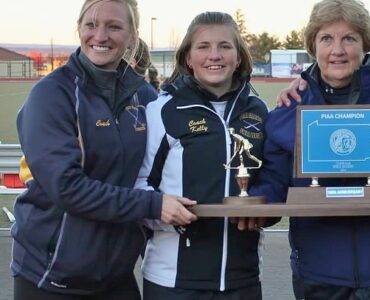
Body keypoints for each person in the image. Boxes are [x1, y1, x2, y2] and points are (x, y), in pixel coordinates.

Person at [250, 0, 370, 299]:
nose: (337, 49)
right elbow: (275, 181)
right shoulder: (289, 108)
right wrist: (255, 207)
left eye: (349, 38)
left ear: (365, 45)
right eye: (326, 38)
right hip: (319, 273)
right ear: (313, 45)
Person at [11, 0, 197, 299]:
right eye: (91, 25)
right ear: (79, 29)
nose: (100, 36)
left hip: (116, 276)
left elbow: (188, 120)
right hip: (52, 277)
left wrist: (292, 89)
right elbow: (67, 188)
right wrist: (152, 205)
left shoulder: (143, 95)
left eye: (114, 26)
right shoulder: (51, 95)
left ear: (133, 36)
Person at [134, 11, 272, 300]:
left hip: (242, 279)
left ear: (238, 57)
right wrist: (159, 208)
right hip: (173, 281)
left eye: (225, 46)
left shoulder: (258, 111)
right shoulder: (163, 111)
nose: (215, 55)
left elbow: (271, 179)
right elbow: (139, 182)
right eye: (203, 46)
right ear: (188, 58)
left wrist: (264, 209)